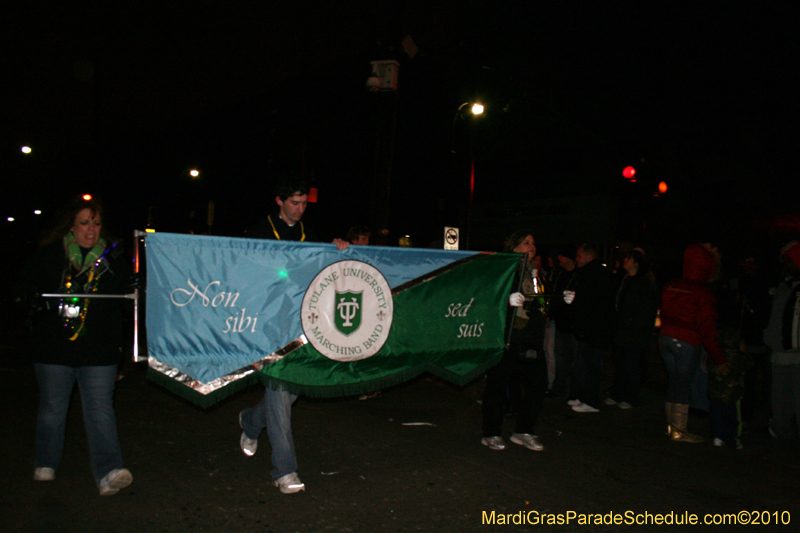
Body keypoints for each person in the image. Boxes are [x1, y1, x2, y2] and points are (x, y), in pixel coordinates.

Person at [239, 177, 349, 494]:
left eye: (304, 203)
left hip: (300, 323)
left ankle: (250, 421)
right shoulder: (259, 233)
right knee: (281, 390)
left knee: (290, 391)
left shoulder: (309, 236)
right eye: (294, 203)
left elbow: (323, 271)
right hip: (267, 324)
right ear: (279, 201)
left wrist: (337, 249)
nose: (300, 209)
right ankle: (284, 470)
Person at [20, 195, 133, 496]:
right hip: (54, 348)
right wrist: (33, 302)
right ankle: (46, 461)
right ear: (71, 225)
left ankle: (109, 471)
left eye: (96, 223)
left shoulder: (111, 259)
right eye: (84, 223)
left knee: (100, 409)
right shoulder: (49, 255)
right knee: (53, 408)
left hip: (99, 349)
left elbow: (125, 299)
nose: (91, 230)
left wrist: (132, 289)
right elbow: (26, 289)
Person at [481, 230, 547, 452]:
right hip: (506, 337)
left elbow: (540, 304)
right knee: (497, 386)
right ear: (514, 247)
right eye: (526, 242)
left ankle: (523, 430)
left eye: (533, 243)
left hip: (529, 338)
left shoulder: (534, 273)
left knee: (538, 383)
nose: (532, 247)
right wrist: (507, 302)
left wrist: (560, 301)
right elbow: (488, 299)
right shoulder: (504, 269)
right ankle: (491, 433)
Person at [659, 244, 727, 443]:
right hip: (687, 342)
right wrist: (718, 357)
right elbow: (707, 328)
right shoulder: (703, 293)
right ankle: (678, 431)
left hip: (665, 338)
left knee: (674, 382)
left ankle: (672, 427)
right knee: (682, 384)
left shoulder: (672, 285)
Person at [606, 248, 659, 409]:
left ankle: (631, 396)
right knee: (620, 362)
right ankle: (618, 393)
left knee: (632, 364)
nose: (624, 260)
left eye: (628, 258)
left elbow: (646, 311)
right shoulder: (626, 278)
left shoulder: (645, 282)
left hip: (634, 332)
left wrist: (637, 330)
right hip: (621, 329)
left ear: (635, 262)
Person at [564, 243, 614, 413]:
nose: (576, 259)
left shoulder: (595, 274)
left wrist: (574, 302)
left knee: (591, 365)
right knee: (584, 364)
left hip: (594, 329)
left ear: (588, 256)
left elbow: (591, 303)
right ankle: (583, 396)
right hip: (589, 328)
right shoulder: (589, 272)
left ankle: (591, 401)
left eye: (579, 256)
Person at [763, 241, 800, 441]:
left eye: (791, 261)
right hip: (779, 351)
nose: (787, 265)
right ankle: (780, 428)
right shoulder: (784, 286)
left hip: (796, 353)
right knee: (779, 396)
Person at [548, 246, 578, 398]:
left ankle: (575, 392)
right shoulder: (560, 274)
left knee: (575, 361)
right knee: (560, 358)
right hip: (560, 323)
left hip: (573, 326)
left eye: (561, 256)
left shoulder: (578, 275)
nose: (558, 258)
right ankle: (558, 388)